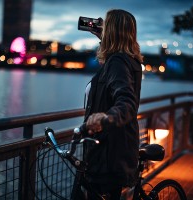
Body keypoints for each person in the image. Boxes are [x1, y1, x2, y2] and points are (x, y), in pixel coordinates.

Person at [83, 9, 143, 199]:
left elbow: (127, 102)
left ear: (113, 31)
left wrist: (105, 118)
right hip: (117, 151)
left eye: (106, 25)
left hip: (108, 156)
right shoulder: (126, 60)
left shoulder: (117, 62)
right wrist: (103, 39)